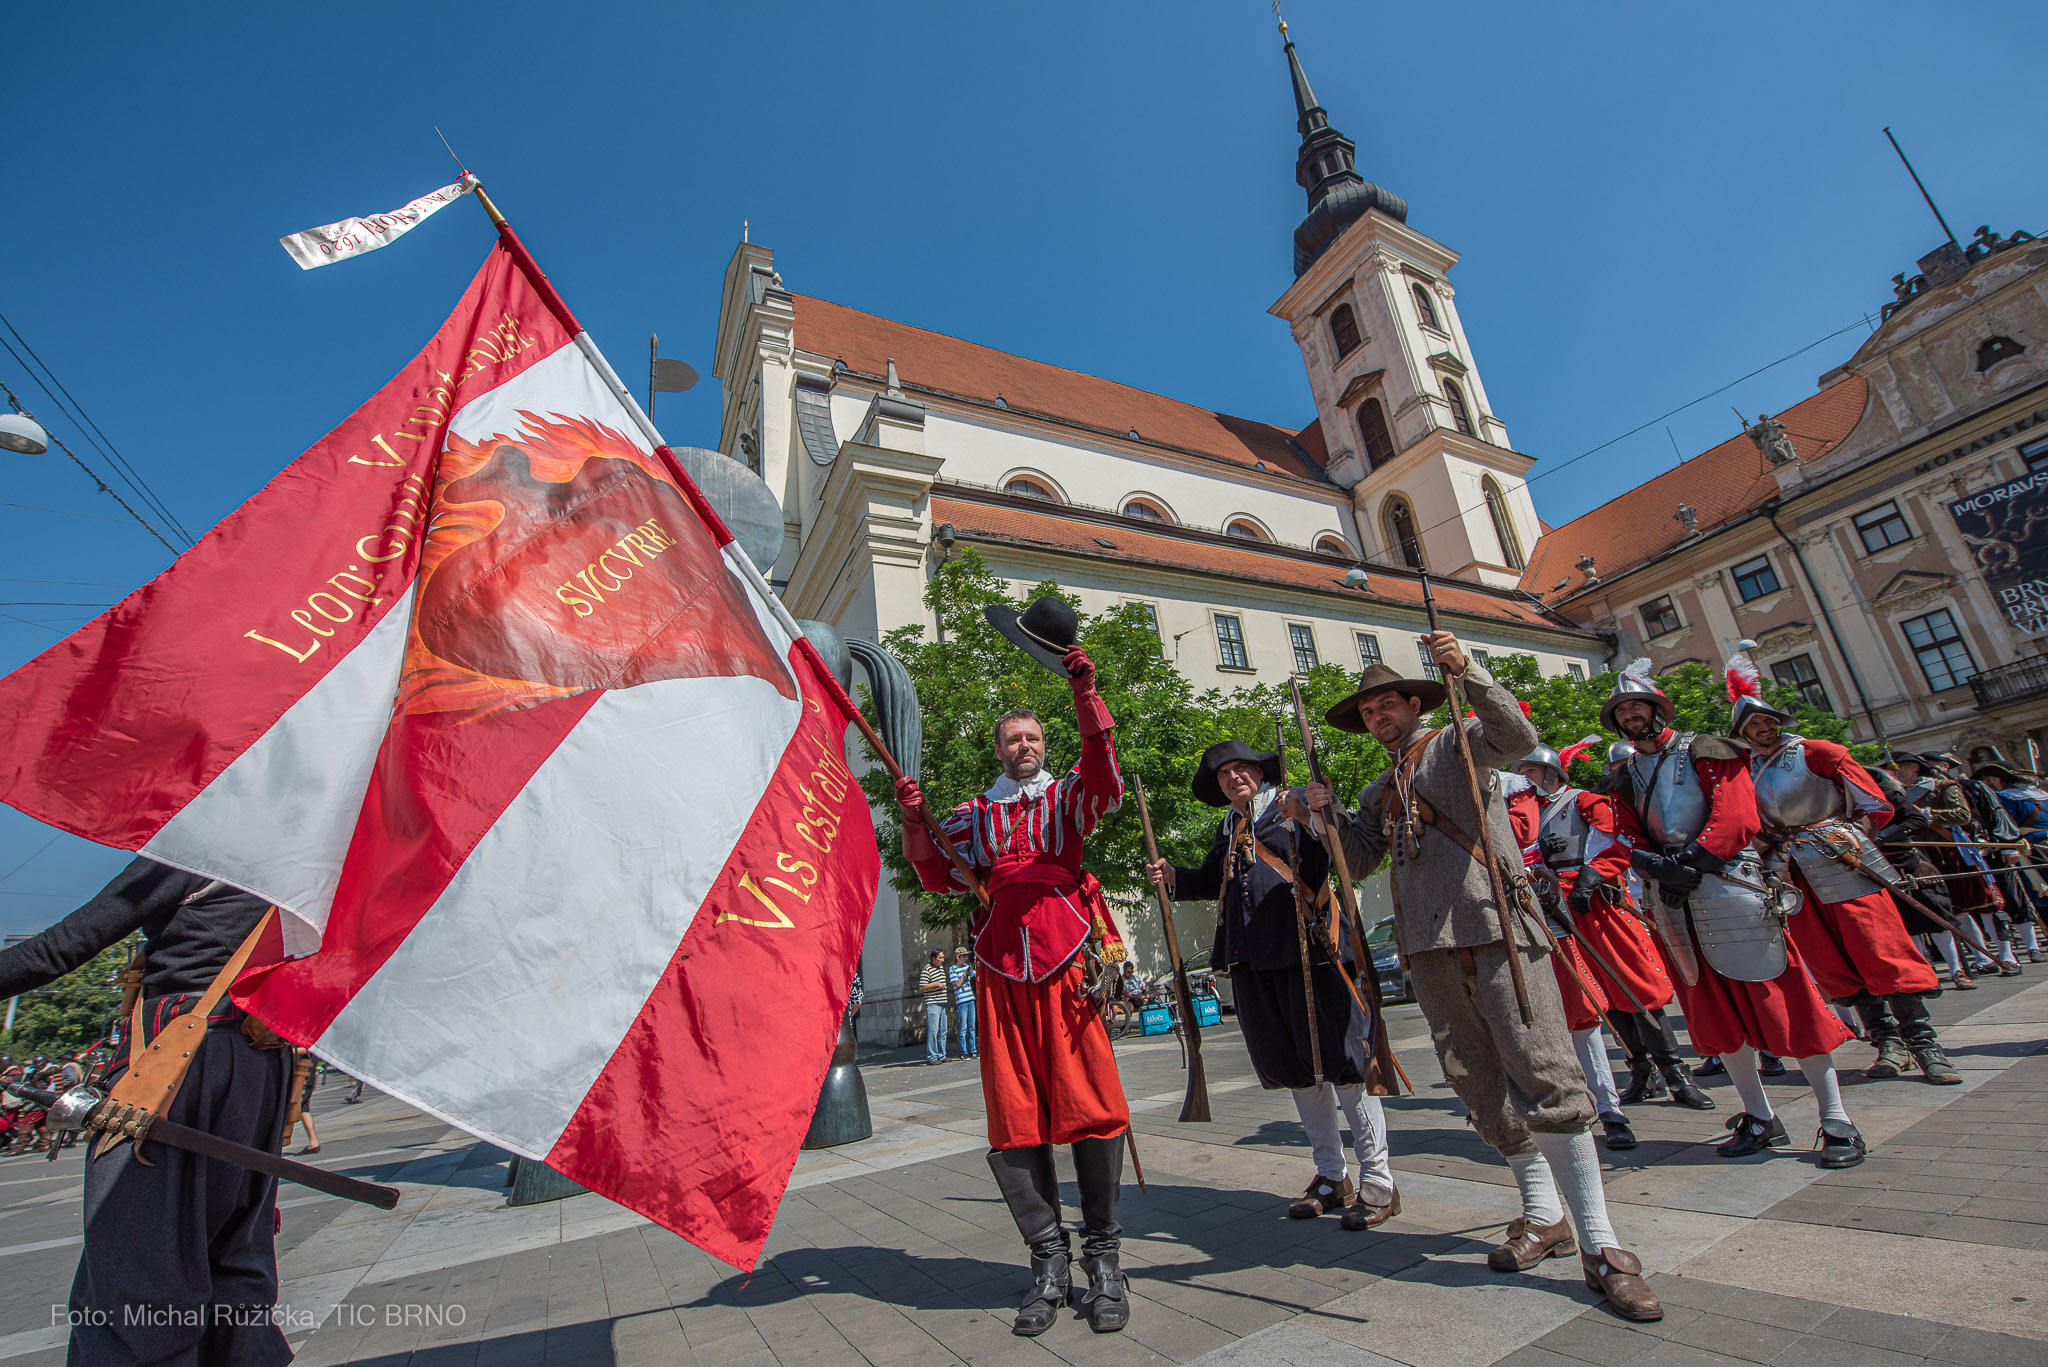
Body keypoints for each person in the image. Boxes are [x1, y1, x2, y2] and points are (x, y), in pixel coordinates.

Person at [1308, 634, 1662, 1323]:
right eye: (1370, 713)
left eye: (1388, 706)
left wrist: (1469, 671)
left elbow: (1517, 732)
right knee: (1476, 1081)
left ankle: (1602, 1246)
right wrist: (1322, 814)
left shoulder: (1460, 742)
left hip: (1497, 926)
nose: (1379, 718)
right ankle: (1542, 1213)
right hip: (1429, 949)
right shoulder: (1379, 786)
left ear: (1415, 702)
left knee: (1547, 1073)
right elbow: (1357, 859)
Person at [895, 598, 1133, 1337]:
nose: (1023, 745)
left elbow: (1104, 774)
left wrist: (1083, 692)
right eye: (1013, 738)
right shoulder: (973, 813)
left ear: (1041, 742)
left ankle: (1103, 1261)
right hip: (999, 969)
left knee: (1090, 1104)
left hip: (1066, 962)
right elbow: (935, 871)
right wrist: (912, 817)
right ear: (999, 749)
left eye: (1032, 736)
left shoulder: (1066, 797)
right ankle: (1047, 1263)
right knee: (1015, 1118)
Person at [0, 856, 293, 1365]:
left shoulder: (199, 850)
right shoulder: (310, 861)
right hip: (260, 1060)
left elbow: (62, 946)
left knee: (136, 1267)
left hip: (179, 1058)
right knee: (235, 1258)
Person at [1601, 660, 1865, 1169]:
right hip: (1673, 898)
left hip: (1728, 886)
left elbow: (1735, 814)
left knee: (1783, 1001)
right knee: (1716, 1014)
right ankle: (1759, 1116)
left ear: (1657, 709)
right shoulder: (1623, 774)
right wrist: (1653, 863)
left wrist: (1693, 863)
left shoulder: (1706, 747)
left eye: (1638, 706)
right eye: (1622, 711)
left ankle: (1836, 1121)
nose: (1631, 715)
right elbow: (1623, 829)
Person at [1147, 738, 1399, 1230]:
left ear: (1260, 773)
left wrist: (1311, 814)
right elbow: (1209, 880)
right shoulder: (1229, 825)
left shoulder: (1293, 804)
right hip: (1255, 963)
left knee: (1346, 1067)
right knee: (1297, 1071)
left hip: (1313, 953)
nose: (1234, 778)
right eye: (1225, 774)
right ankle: (1331, 1175)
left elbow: (1343, 856)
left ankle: (1378, 1180)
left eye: (1242, 769)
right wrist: (1174, 876)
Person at [1728, 660, 1960, 1087]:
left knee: (1879, 949)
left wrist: (1850, 835)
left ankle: (1925, 1044)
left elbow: (1874, 804)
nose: (1761, 728)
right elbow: (1751, 823)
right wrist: (1764, 844)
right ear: (1742, 732)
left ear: (1778, 721)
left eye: (1766, 720)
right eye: (1753, 724)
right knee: (1833, 961)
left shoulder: (1817, 752)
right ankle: (1886, 1042)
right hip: (1790, 872)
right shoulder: (1746, 772)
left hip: (1840, 861)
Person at [1514, 741, 1704, 1151]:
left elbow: (1612, 840)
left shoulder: (1583, 801)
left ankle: (1675, 1074)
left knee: (1634, 986)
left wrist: (1591, 876)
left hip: (1597, 900)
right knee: (1598, 996)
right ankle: (1640, 1070)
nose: (1524, 779)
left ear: (1551, 774)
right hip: (1556, 906)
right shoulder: (1525, 813)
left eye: (1531, 771)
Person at [1877, 757, 1974, 989]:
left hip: (1909, 862)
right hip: (1879, 868)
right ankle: (1924, 972)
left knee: (1935, 916)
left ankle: (1957, 970)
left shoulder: (1890, 797)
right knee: (1906, 924)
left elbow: (1917, 820)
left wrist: (1882, 837)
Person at [1972, 759, 2048, 963]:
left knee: (2038, 890)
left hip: (2031, 847)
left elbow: (2007, 826)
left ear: (1998, 780)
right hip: (2041, 844)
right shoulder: (2040, 795)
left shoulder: (2005, 799)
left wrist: (2005, 844)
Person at [918, 950, 950, 1065]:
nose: (942, 960)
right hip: (933, 1004)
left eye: (942, 957)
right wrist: (936, 984)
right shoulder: (927, 969)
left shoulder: (940, 969)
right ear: (933, 958)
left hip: (942, 1003)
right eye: (940, 958)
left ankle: (942, 1055)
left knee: (943, 1030)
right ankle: (932, 1056)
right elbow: (922, 986)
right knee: (933, 1030)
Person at [288, 1047, 322, 1153]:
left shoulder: (307, 1039)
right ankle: (313, 1142)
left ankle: (313, 1142)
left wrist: (289, 1051)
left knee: (297, 1106)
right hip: (304, 1075)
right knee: (303, 1108)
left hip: (303, 1076)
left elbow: (309, 1049)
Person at [950, 947, 979, 1060]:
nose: (966, 958)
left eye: (967, 956)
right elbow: (957, 984)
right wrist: (964, 974)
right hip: (961, 1000)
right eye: (964, 956)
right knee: (963, 1027)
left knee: (972, 1026)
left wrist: (973, 969)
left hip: (970, 998)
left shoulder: (967, 967)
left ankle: (973, 1050)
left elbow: (976, 975)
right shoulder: (953, 969)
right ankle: (963, 1051)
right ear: (958, 957)